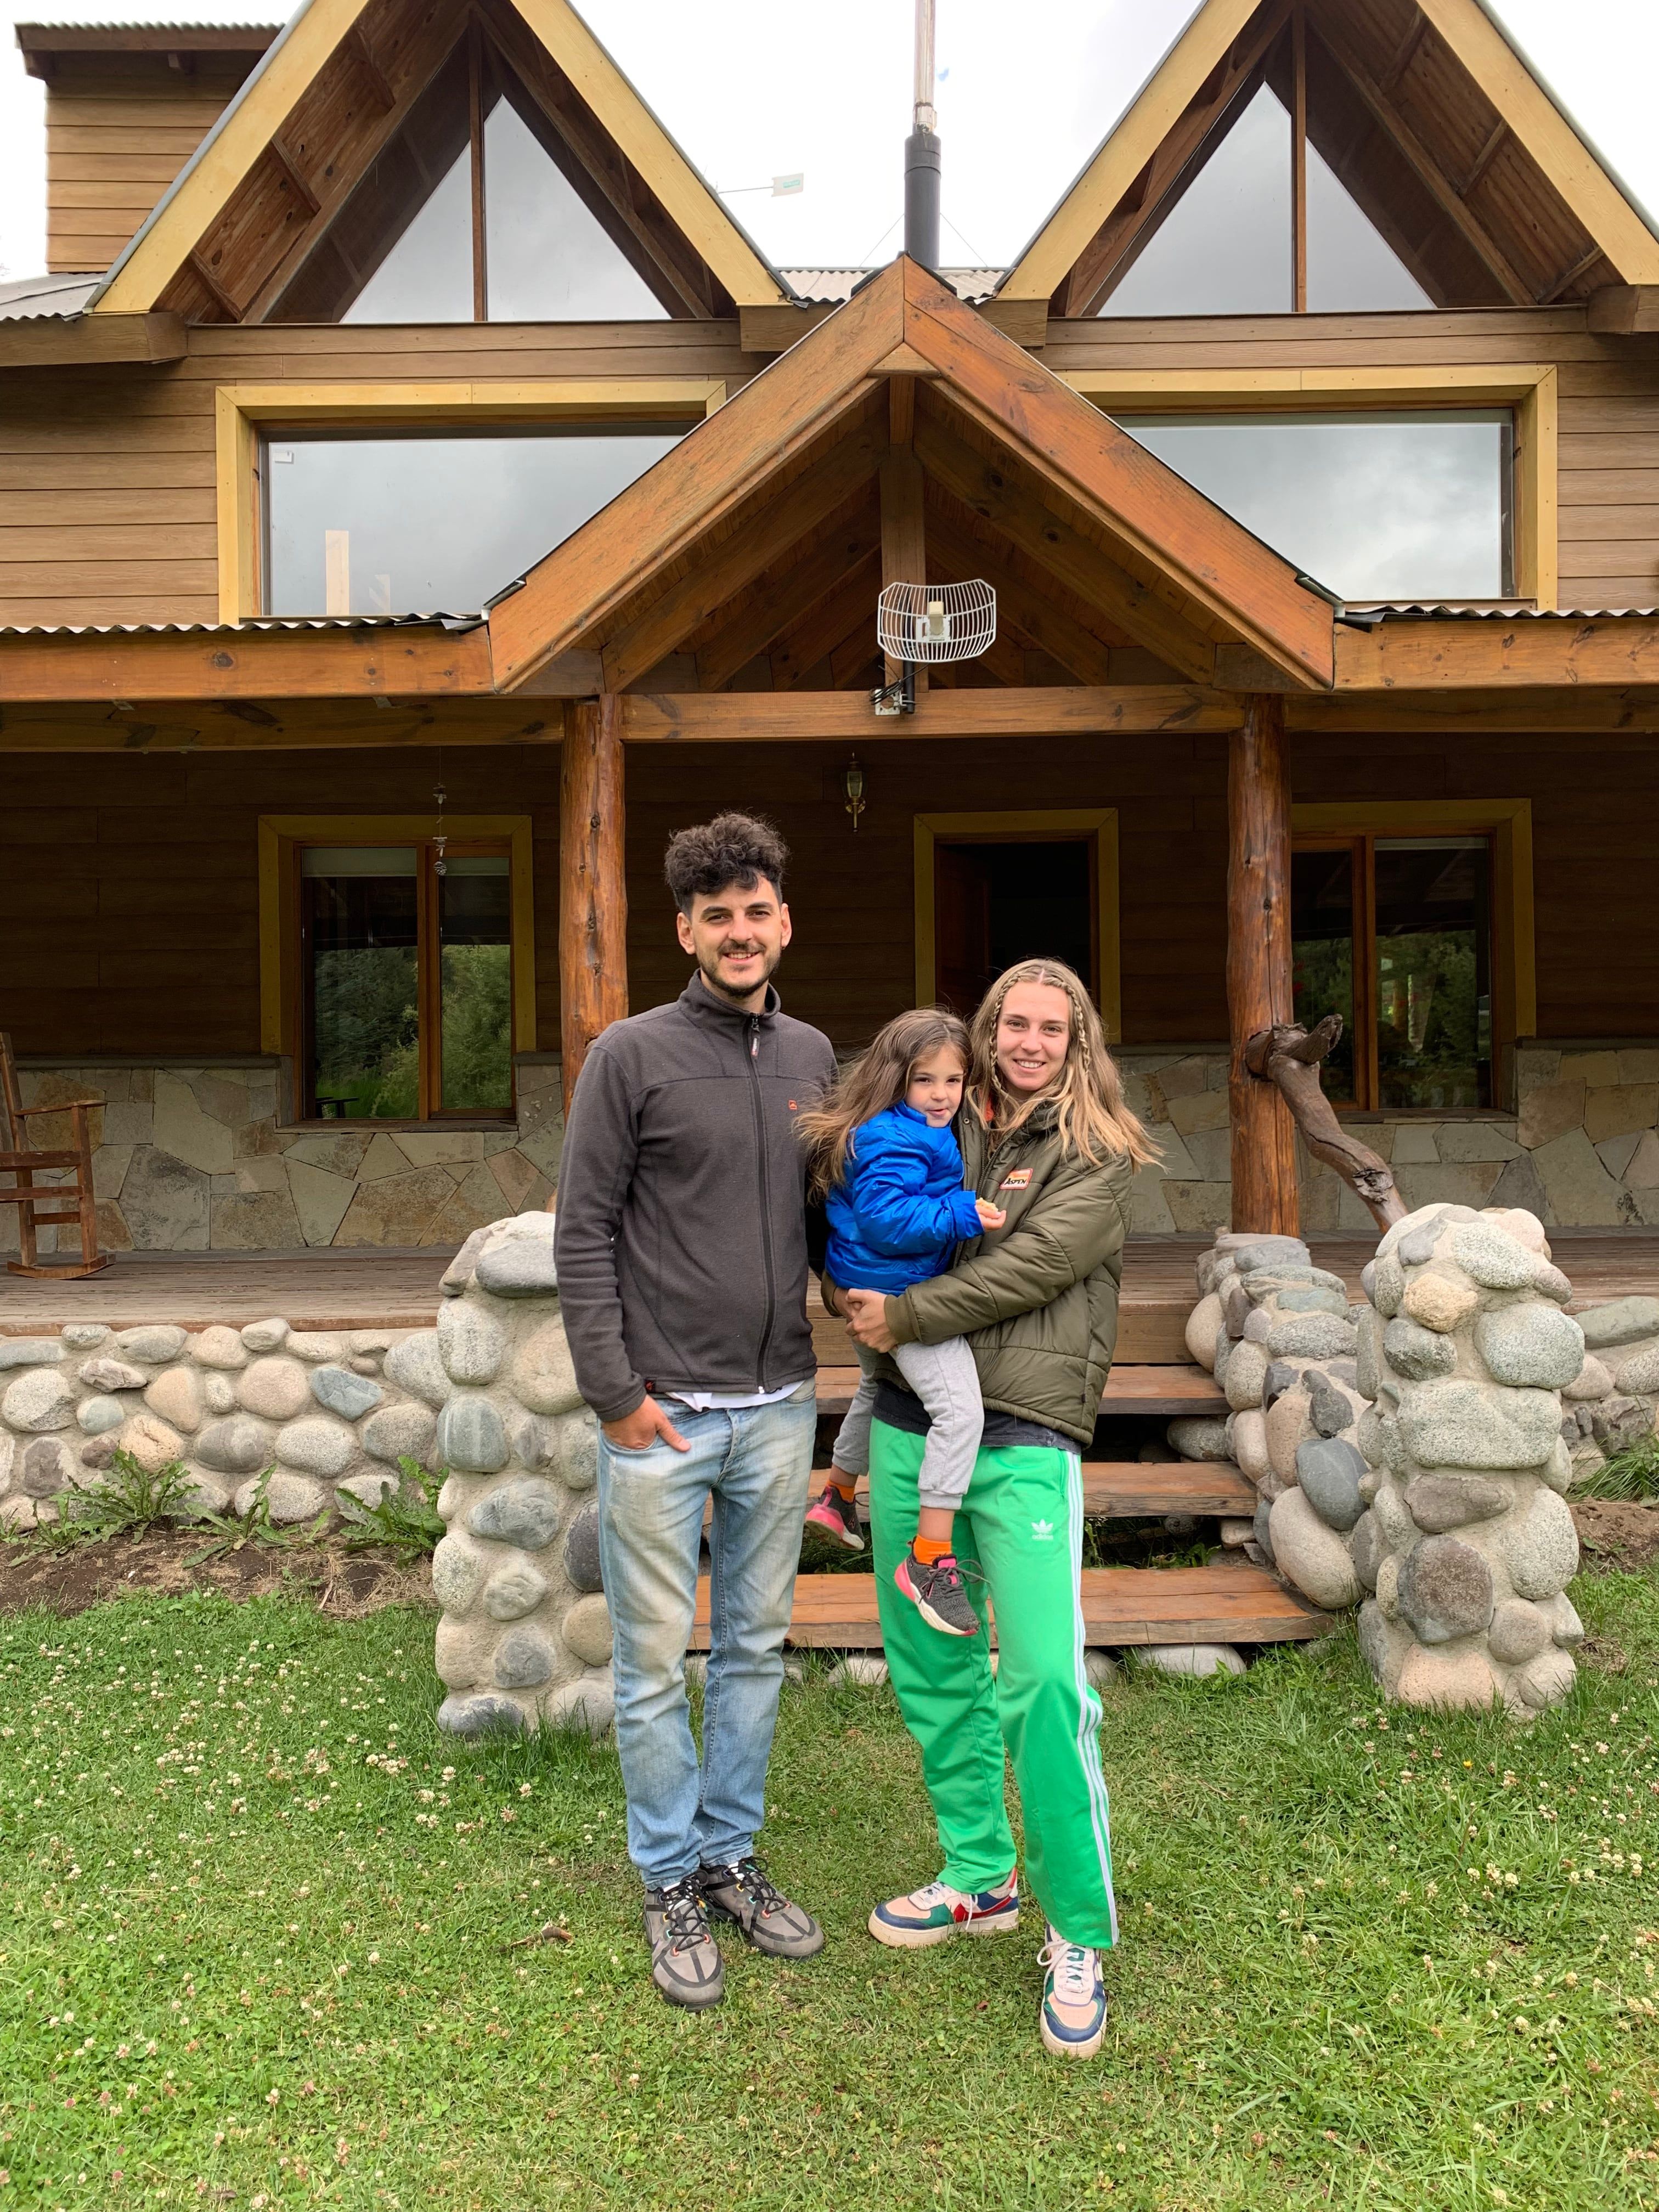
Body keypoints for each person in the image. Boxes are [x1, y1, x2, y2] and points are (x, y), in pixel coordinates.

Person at [830, 957, 1156, 2061]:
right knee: (930, 1663)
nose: (1025, 1041)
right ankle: (979, 1873)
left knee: (1044, 1685)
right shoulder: (940, 1120)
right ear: (984, 1033)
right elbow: (866, 1218)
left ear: (1078, 1042)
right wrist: (848, 1288)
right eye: (1010, 1023)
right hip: (912, 1427)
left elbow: (1028, 1268)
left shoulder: (1097, 1155)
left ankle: (1077, 1930)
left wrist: (897, 1313)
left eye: (1047, 1028)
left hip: (1024, 1438)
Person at [554, 811, 836, 2012]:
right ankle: (669, 1876)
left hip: (780, 1407)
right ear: (685, 930)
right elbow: (583, 1233)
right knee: (652, 1662)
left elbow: (830, 1215)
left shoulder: (819, 1055)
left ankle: (729, 1854)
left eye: (755, 910)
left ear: (783, 922)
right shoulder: (631, 1055)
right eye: (715, 914)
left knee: (759, 1650)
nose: (738, 931)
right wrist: (617, 1397)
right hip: (665, 1416)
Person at [797, 1008, 1005, 1635]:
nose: (942, 1096)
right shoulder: (894, 1137)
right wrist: (964, 1212)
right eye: (925, 1081)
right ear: (896, 1079)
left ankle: (835, 1496)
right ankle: (929, 1556)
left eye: (953, 1081)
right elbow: (889, 1222)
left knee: (873, 1386)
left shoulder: (905, 1127)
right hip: (897, 1295)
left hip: (871, 1283)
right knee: (961, 1412)